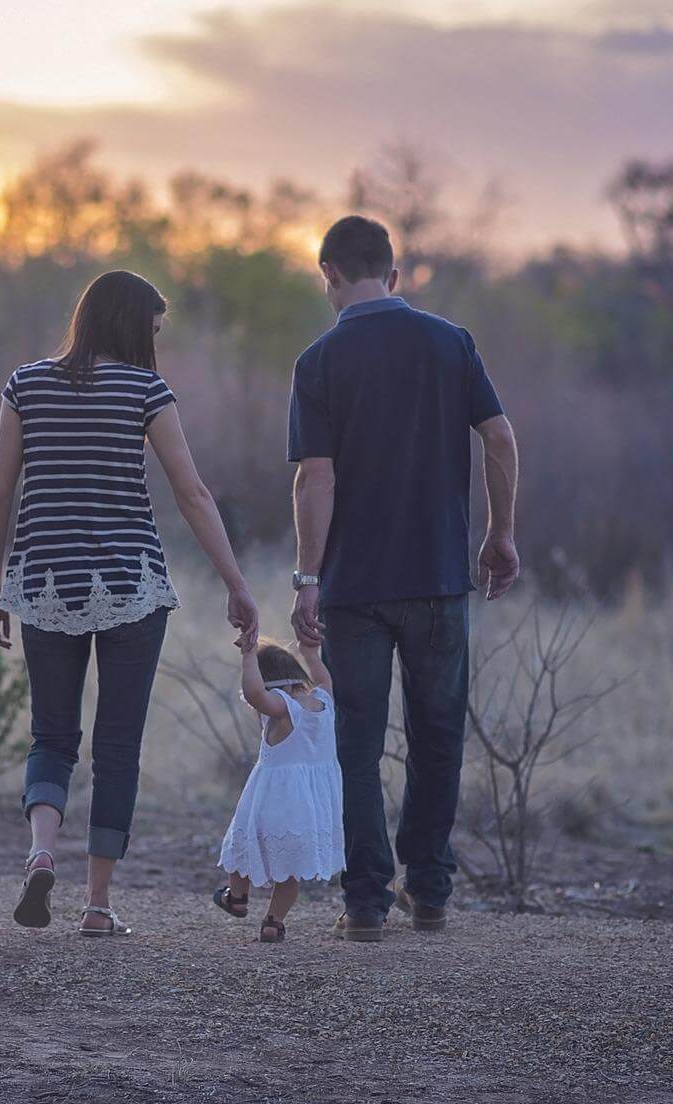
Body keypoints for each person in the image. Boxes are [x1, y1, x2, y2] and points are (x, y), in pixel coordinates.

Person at [0, 269, 259, 937]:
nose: (156, 341)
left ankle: (42, 850)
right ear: (134, 325)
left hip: (44, 583)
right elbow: (192, 494)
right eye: (154, 329)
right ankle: (97, 904)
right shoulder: (145, 390)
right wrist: (236, 582)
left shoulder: (25, 384)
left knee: (52, 735)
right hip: (131, 586)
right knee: (118, 746)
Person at [287, 215, 522, 942]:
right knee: (438, 735)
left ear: (328, 274)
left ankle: (364, 902)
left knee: (357, 742)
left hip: (355, 586)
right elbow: (501, 438)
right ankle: (430, 891)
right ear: (394, 275)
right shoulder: (451, 343)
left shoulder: (319, 361)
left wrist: (306, 577)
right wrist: (500, 533)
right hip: (439, 576)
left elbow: (313, 480)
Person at [212, 637, 344, 943]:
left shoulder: (282, 708)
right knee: (289, 872)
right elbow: (323, 677)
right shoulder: (324, 701)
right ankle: (273, 922)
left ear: (272, 685)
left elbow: (254, 693)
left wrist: (247, 657)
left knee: (242, 847)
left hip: (274, 800)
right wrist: (310, 653)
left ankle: (238, 897)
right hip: (310, 807)